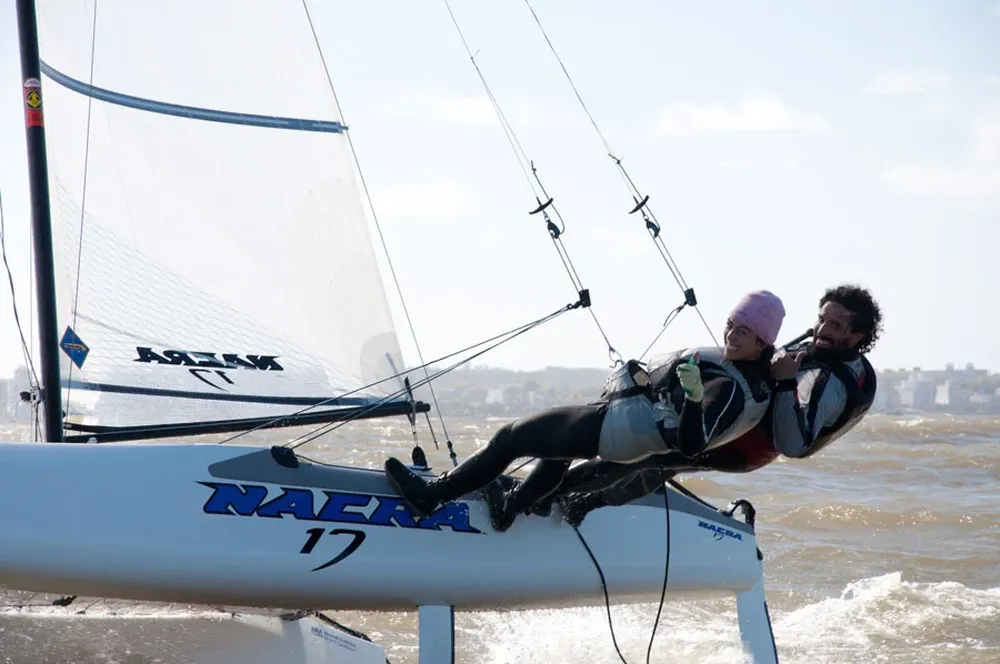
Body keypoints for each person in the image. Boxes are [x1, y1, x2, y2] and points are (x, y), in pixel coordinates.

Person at [383, 289, 786, 530]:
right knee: (556, 453)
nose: (733, 335)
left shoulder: (726, 388)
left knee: (511, 438)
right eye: (733, 324)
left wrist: (695, 398)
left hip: (614, 430)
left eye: (745, 331)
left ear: (761, 343)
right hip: (627, 435)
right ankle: (512, 509)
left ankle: (430, 496)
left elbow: (692, 444)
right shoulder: (751, 376)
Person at [547, 283, 882, 526]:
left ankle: (559, 497)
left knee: (651, 455)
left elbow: (793, 445)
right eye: (822, 319)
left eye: (835, 326)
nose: (821, 330)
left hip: (747, 446)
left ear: (857, 336)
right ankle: (585, 502)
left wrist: (781, 383)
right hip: (744, 422)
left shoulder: (833, 385)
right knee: (661, 460)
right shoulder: (837, 355)